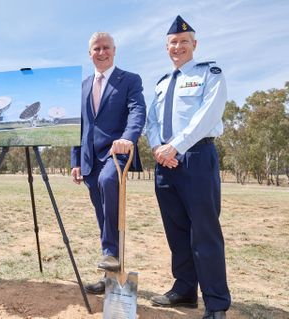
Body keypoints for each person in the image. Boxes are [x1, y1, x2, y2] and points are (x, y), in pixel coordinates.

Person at [145, 16, 231, 319]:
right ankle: (184, 290)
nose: (178, 46)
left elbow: (208, 114)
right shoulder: (160, 83)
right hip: (164, 163)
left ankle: (216, 303)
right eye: (173, 43)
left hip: (196, 158)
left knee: (204, 232)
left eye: (184, 42)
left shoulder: (210, 73)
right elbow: (152, 122)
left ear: (194, 44)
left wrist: (176, 146)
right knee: (177, 231)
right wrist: (158, 148)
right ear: (167, 48)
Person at [70, 32, 146, 295]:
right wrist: (76, 160)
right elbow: (78, 126)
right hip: (90, 159)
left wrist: (127, 138)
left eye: (106, 48)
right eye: (96, 49)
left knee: (108, 181)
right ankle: (110, 274)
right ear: (89, 53)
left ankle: (112, 254)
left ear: (114, 51)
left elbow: (138, 111)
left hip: (116, 155)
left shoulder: (129, 80)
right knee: (102, 215)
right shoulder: (82, 86)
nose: (101, 52)